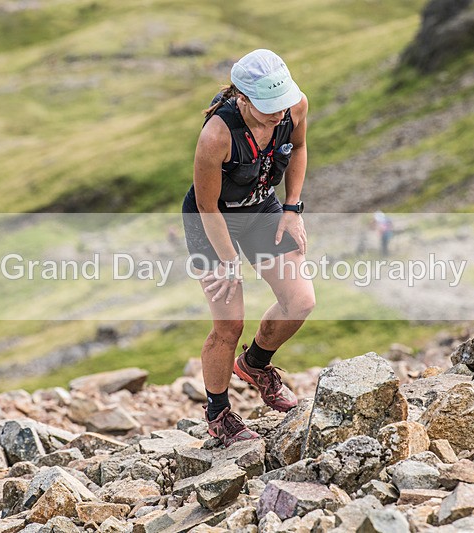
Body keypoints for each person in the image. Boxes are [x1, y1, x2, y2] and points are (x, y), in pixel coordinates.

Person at [182, 49, 315, 447]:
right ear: (242, 97)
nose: (279, 115)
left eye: (282, 104)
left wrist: (292, 207)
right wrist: (228, 261)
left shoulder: (295, 106)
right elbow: (207, 206)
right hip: (212, 220)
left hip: (261, 207)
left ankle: (254, 364)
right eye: (267, 107)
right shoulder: (216, 136)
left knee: (301, 302)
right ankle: (218, 413)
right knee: (229, 323)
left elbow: (300, 149)